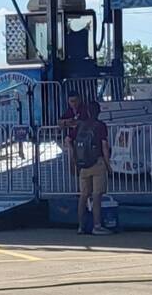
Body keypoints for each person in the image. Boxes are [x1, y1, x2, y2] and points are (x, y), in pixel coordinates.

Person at [61, 96, 111, 235]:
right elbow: (104, 146)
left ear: (87, 112)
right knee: (96, 195)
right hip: (97, 162)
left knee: (83, 196)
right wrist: (108, 165)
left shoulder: (80, 125)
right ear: (99, 112)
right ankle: (97, 226)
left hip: (83, 165)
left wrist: (74, 158)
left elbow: (68, 140)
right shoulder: (100, 126)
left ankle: (81, 226)